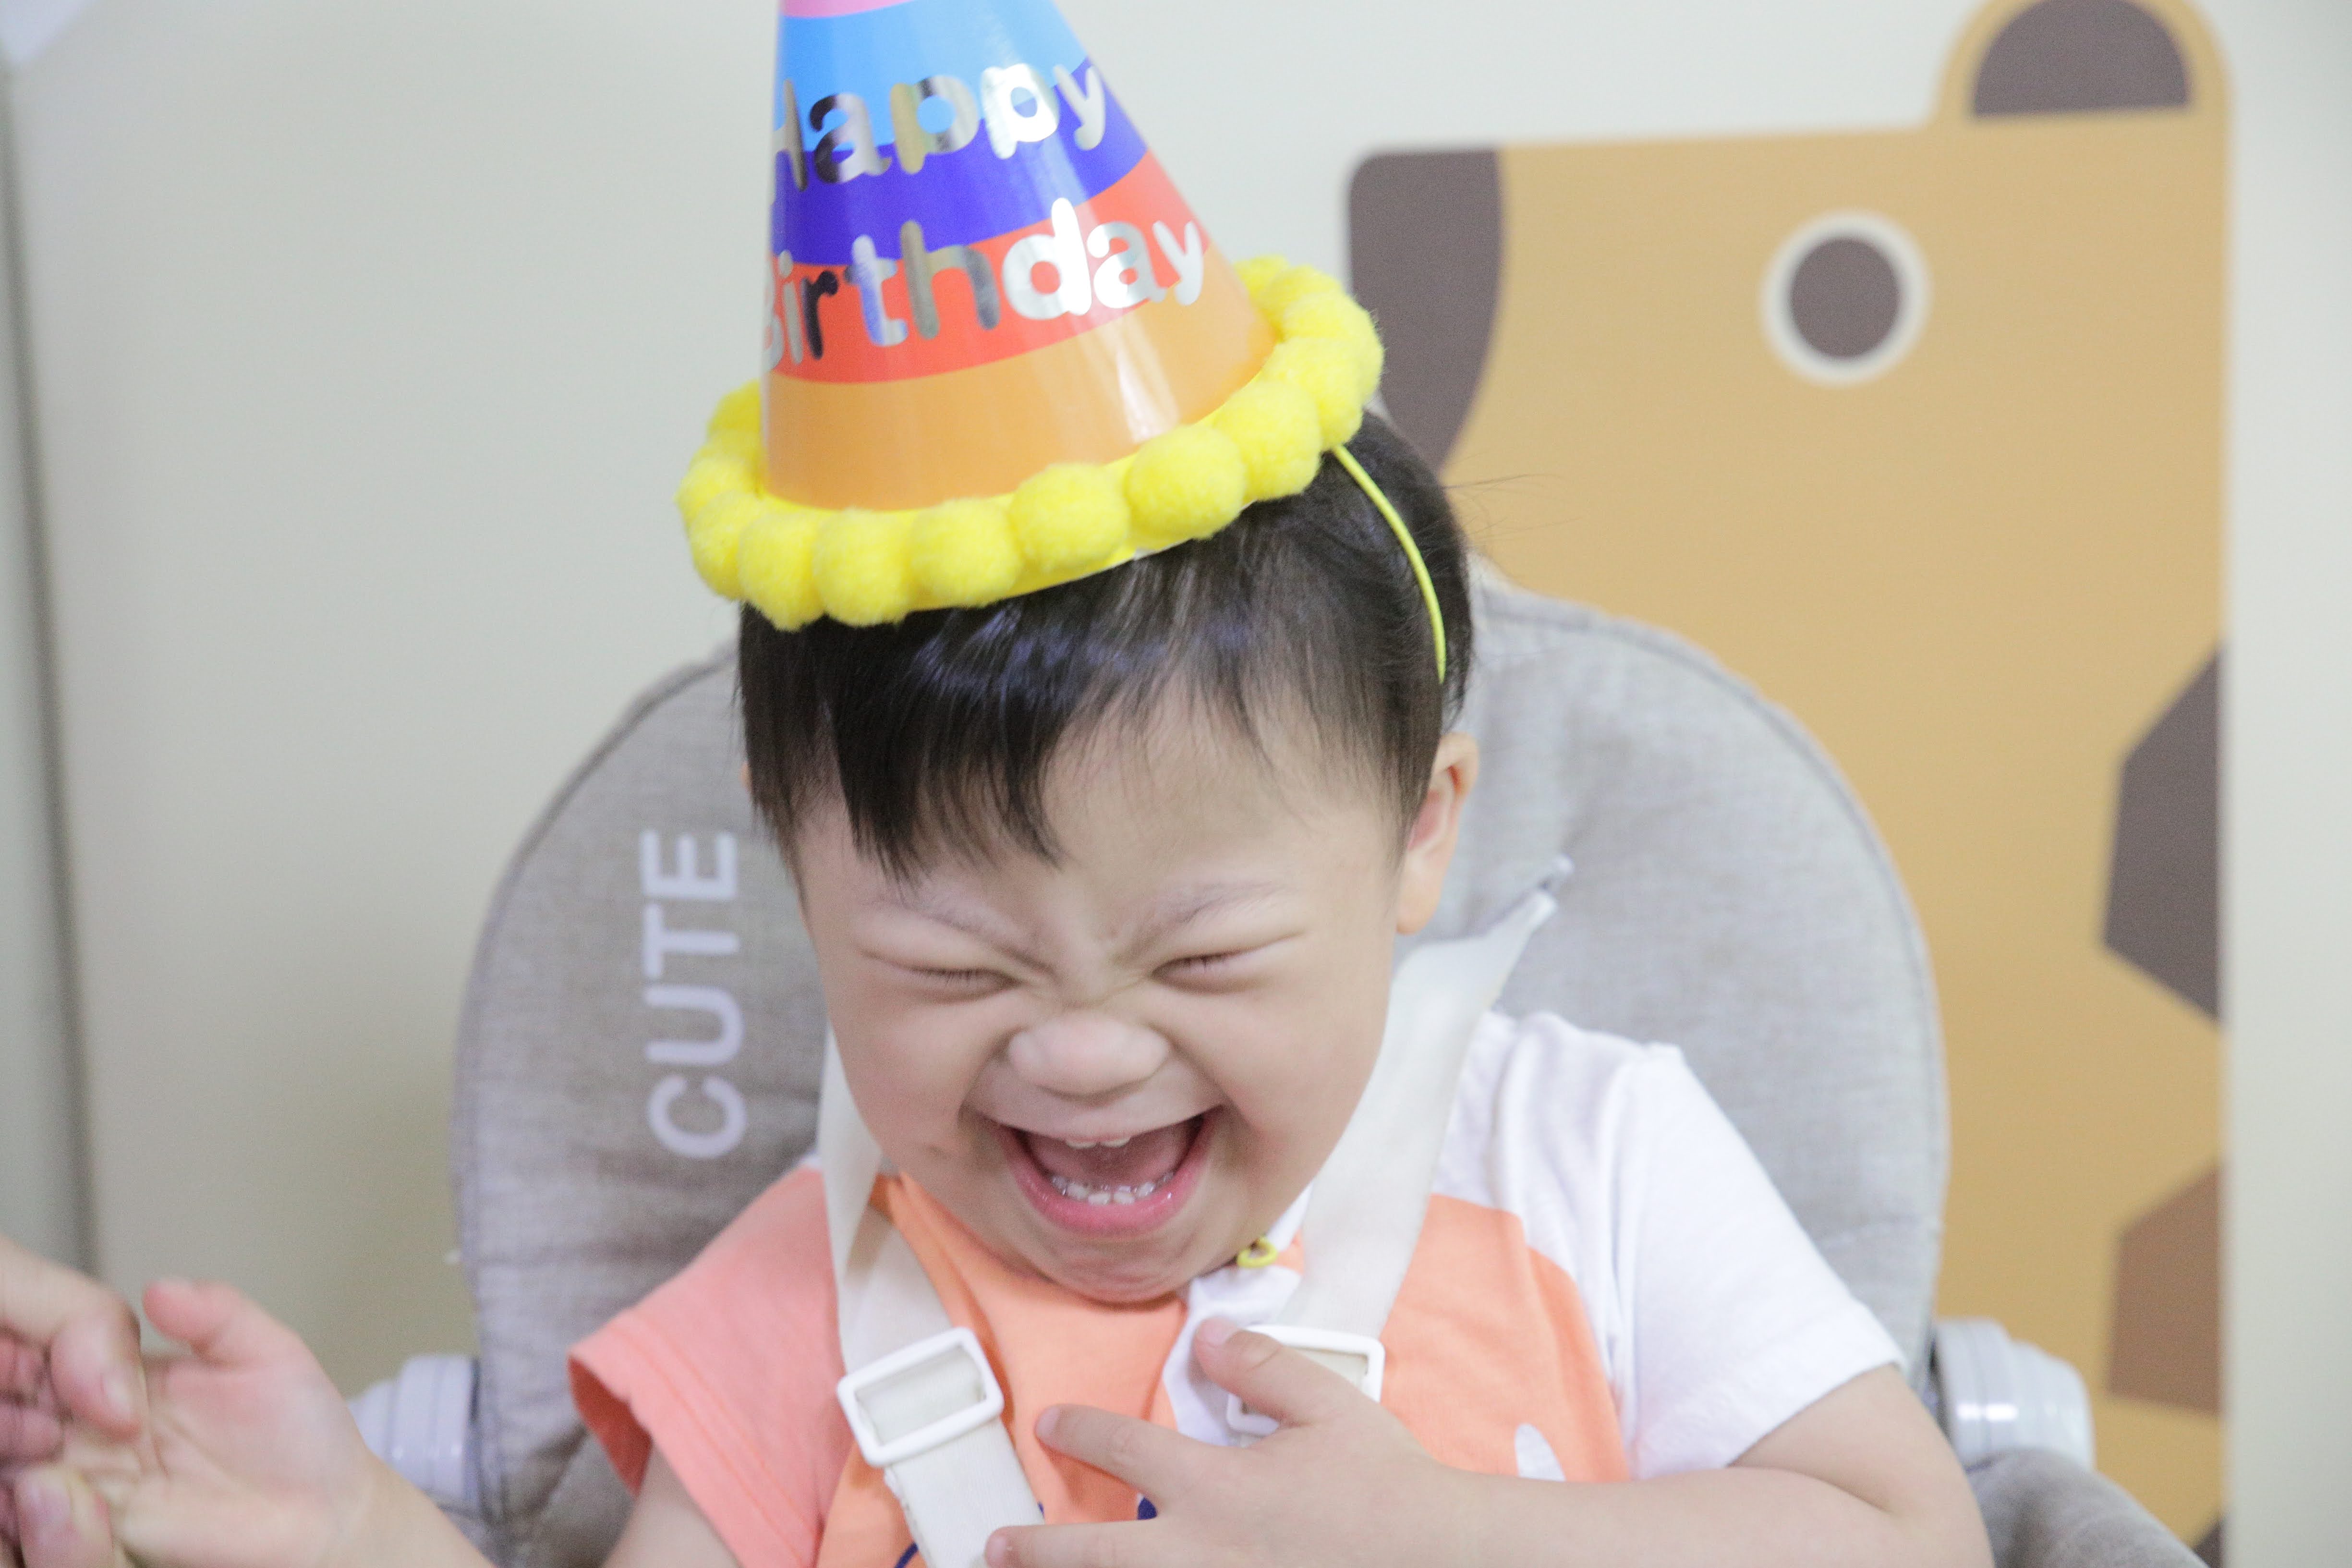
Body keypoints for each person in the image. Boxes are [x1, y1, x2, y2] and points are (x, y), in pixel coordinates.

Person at [3, 1, 1995, 1564]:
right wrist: (348, 1527)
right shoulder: (808, 1297)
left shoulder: (1592, 1162)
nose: (1083, 1055)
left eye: (1201, 955)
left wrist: (1455, 1537)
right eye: (952, 970)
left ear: (1421, 833)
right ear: (804, 887)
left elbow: (1914, 1541)